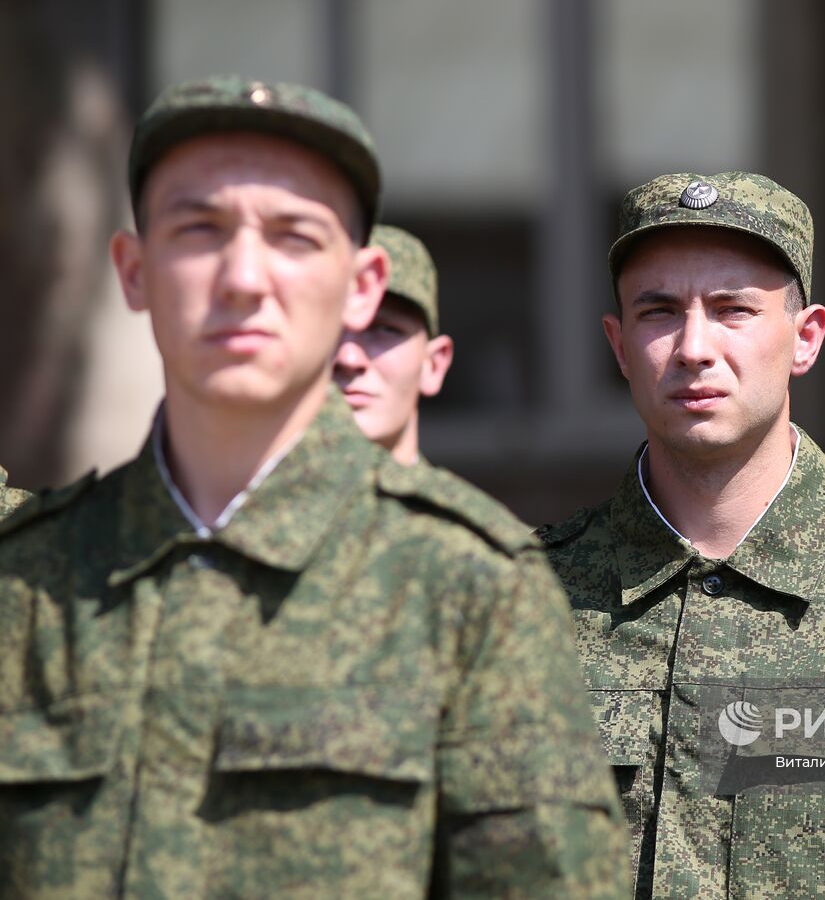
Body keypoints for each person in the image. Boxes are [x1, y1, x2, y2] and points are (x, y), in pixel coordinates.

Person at [0, 75, 628, 898]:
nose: (243, 278)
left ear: (362, 284)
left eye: (294, 236)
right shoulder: (27, 584)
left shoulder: (468, 585)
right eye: (199, 229)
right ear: (134, 270)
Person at [539, 171, 825, 897]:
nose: (694, 346)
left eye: (733, 310)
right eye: (659, 311)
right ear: (618, 343)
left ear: (806, 337)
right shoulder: (524, 598)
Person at [334, 223, 454, 465]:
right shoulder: (241, 501)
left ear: (433, 365)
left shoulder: (464, 504)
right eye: (328, 329)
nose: (349, 358)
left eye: (385, 330)